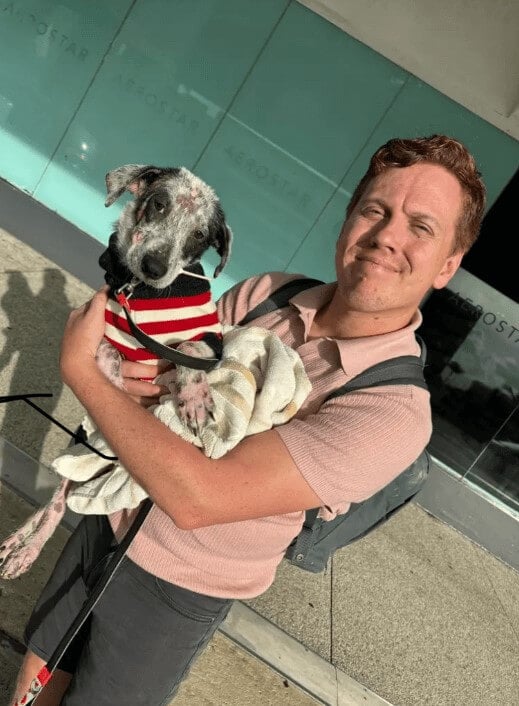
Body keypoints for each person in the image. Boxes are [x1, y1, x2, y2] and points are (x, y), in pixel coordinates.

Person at [10, 134, 486, 705]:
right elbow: (151, 381)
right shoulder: (269, 294)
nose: (387, 236)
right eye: (375, 211)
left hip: (175, 590)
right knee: (36, 678)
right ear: (347, 221)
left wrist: (81, 371)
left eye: (421, 227)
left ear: (447, 266)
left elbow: (197, 498)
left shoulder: (393, 411)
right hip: (105, 519)